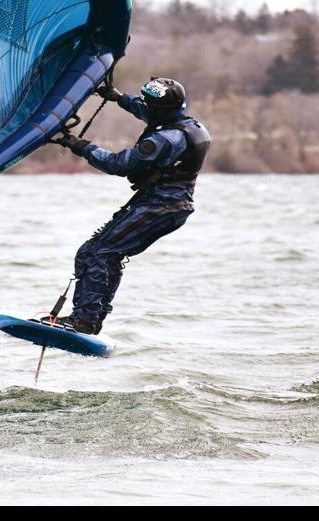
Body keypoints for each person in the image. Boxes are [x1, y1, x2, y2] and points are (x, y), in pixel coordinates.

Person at [44, 77, 210, 335]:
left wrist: (80, 146)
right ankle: (91, 318)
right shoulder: (182, 122)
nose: (144, 108)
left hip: (161, 207)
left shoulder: (163, 139)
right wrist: (117, 96)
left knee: (100, 254)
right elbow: (143, 109)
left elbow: (119, 165)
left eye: (148, 105)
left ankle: (84, 320)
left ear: (160, 109)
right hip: (165, 206)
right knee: (95, 253)